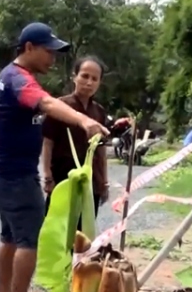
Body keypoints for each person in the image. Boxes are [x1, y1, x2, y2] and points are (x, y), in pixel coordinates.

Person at [0, 23, 108, 292]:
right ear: (29, 48)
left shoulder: (8, 76)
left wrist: (0, 123)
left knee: (9, 237)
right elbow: (43, 102)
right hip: (17, 176)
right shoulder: (19, 79)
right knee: (30, 239)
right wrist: (82, 121)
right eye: (48, 51)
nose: (52, 59)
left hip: (4, 173)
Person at [40, 56, 129, 220]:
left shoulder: (99, 112)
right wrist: (47, 175)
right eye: (85, 76)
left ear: (99, 83)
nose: (89, 82)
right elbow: (47, 143)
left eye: (94, 79)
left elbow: (101, 149)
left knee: (83, 235)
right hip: (62, 179)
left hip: (90, 184)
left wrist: (104, 182)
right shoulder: (60, 107)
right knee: (57, 230)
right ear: (74, 76)